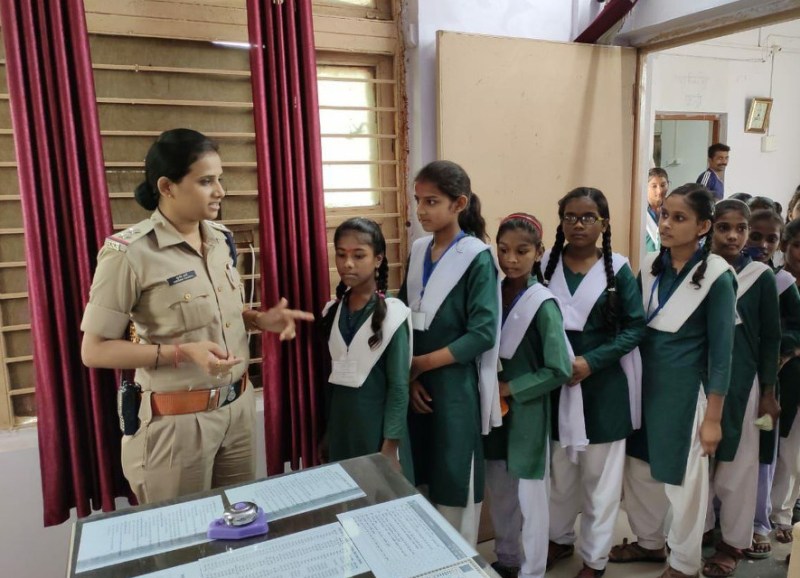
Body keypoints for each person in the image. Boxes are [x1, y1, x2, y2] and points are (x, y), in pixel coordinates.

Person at [80, 128, 313, 504]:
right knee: (183, 535)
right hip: (177, 425)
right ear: (167, 187)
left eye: (219, 179)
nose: (220, 191)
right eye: (206, 181)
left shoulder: (220, 239)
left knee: (239, 526)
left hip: (236, 412)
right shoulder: (129, 254)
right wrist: (181, 353)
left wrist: (257, 319)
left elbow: (214, 313)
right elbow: (94, 351)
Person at [610, 184, 737, 578]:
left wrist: (713, 418)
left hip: (686, 393)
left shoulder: (717, 276)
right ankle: (649, 542)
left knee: (685, 480)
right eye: (664, 215)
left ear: (703, 226)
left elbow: (722, 355)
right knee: (639, 468)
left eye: (678, 218)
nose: (665, 224)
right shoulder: (650, 266)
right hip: (643, 385)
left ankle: (684, 563)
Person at [543, 188, 646, 578]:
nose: (578, 224)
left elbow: (635, 327)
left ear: (604, 223)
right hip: (555, 387)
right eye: (570, 216)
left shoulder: (617, 269)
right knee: (558, 474)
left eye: (588, 217)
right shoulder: (545, 265)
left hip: (602, 390)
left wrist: (592, 361)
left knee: (599, 483)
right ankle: (558, 538)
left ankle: (595, 559)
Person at [399, 160, 501, 547]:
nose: (421, 210)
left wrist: (420, 365)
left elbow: (483, 333)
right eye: (418, 200)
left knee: (454, 474)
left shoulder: (476, 256)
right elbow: (403, 318)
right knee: (421, 474)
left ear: (458, 204)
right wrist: (410, 378)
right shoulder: (418, 250)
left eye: (431, 201)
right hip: (417, 386)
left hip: (454, 386)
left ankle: (458, 561)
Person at [484, 213, 572, 578]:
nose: (510, 259)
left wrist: (510, 388)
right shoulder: (490, 293)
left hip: (527, 412)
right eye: (503, 250)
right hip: (493, 411)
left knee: (531, 497)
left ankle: (532, 569)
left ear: (538, 252)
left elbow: (560, 369)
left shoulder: (542, 303)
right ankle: (507, 559)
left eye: (521, 251)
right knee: (500, 489)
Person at [703, 200, 781, 577]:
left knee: (739, 462)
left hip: (742, 382)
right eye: (723, 227)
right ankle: (698, 529)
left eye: (740, 229)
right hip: (699, 378)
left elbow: (770, 338)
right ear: (709, 228)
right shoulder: (698, 269)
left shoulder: (760, 277)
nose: (732, 236)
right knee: (697, 462)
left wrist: (767, 391)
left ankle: (733, 542)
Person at [319, 217, 412, 480]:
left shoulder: (393, 314)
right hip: (342, 428)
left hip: (378, 432)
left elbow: (399, 387)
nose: (347, 263)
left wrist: (390, 447)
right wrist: (328, 434)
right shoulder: (332, 311)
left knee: (381, 497)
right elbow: (332, 384)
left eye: (358, 255)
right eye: (341, 254)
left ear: (378, 259)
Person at [742, 210, 800, 559]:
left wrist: (781, 347)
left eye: (771, 239)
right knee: (732, 450)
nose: (762, 245)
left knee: (768, 450)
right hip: (735, 377)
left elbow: (795, 327)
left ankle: (762, 521)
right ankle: (722, 517)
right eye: (755, 236)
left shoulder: (782, 283)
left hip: (772, 381)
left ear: (778, 244)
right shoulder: (728, 273)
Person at [769, 218, 800, 545]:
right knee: (773, 447)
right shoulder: (776, 282)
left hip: (794, 373)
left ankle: (783, 513)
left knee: (793, 454)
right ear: (785, 246)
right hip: (775, 378)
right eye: (798, 245)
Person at [646, 168, 670, 252]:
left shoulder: (672, 209)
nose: (659, 191)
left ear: (668, 185)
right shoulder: (639, 211)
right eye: (654, 186)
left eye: (663, 185)